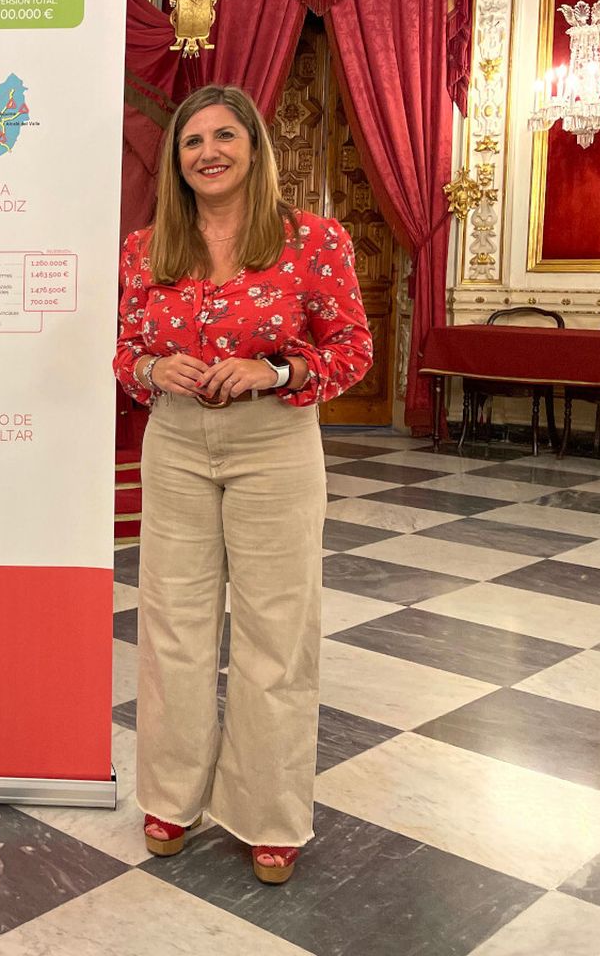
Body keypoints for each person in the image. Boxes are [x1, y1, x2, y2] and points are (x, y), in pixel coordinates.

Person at [112, 83, 373, 884]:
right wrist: (157, 365)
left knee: (274, 631)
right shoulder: (147, 249)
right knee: (174, 625)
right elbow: (124, 357)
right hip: (178, 441)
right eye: (192, 142)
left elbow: (351, 350)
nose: (208, 152)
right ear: (178, 162)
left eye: (225, 136)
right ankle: (170, 796)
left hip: (274, 444)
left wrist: (276, 368)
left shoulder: (313, 240)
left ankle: (268, 813)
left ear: (254, 148)